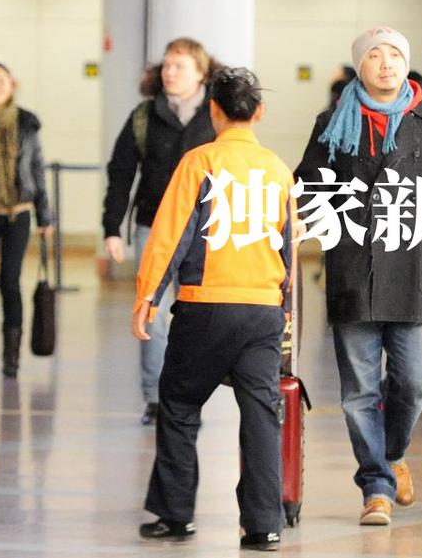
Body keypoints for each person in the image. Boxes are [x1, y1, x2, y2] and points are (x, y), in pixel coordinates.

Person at [295, 27, 422, 526]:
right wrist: (305, 217)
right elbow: (309, 185)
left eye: (395, 54)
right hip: (354, 268)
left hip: (416, 271)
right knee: (359, 394)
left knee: (414, 383)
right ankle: (376, 487)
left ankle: (391, 456)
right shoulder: (333, 122)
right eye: (374, 55)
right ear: (360, 66)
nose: (386, 63)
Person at [133, 67, 294, 552]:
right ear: (260, 112)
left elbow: (171, 236)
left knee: (180, 406)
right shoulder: (277, 168)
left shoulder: (199, 162)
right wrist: (284, 306)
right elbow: (288, 246)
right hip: (263, 309)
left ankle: (175, 514)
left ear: (213, 111)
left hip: (206, 307)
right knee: (261, 414)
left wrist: (147, 296)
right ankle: (264, 525)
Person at [102, 37, 217, 425]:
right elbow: (121, 172)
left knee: (196, 314)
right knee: (150, 309)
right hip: (152, 225)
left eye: (179, 66)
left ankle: (188, 394)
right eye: (166, 65)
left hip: (205, 230)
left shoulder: (217, 116)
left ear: (201, 74)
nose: (169, 72)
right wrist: (112, 228)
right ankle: (154, 397)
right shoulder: (143, 116)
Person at [0, 62, 51, 378]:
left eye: (1, 81)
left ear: (12, 85)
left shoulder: (26, 122)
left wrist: (44, 214)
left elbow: (36, 168)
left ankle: (10, 360)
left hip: (19, 213)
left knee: (10, 283)